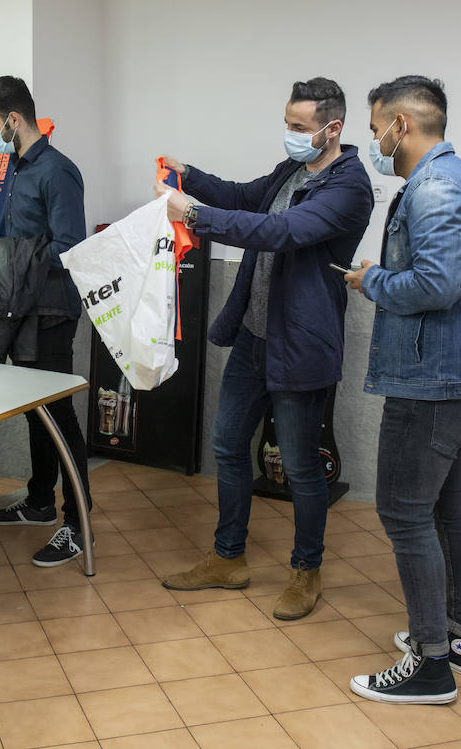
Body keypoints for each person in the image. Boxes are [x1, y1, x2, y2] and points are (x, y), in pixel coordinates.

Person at [153, 77, 373, 620]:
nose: (290, 135)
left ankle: (306, 569)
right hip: (255, 337)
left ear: (332, 128)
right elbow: (242, 196)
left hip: (300, 347)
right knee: (227, 443)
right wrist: (188, 176)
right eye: (287, 124)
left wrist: (193, 216)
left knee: (299, 467)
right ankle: (228, 558)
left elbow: (279, 231)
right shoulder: (291, 171)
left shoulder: (349, 187)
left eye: (299, 128)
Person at [344, 76, 461, 704]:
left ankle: (431, 666)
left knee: (404, 513)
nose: (376, 143)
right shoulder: (460, 177)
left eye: (375, 130)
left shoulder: (435, 188)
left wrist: (372, 280)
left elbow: (435, 285)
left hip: (434, 382)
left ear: (402, 126)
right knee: (450, 508)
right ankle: (459, 639)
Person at [0, 76, 92, 567]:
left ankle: (78, 526)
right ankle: (41, 502)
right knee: (34, 410)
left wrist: (16, 259)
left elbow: (71, 249)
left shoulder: (57, 171)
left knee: (59, 416)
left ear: (14, 120)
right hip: (22, 308)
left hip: (51, 311)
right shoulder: (19, 168)